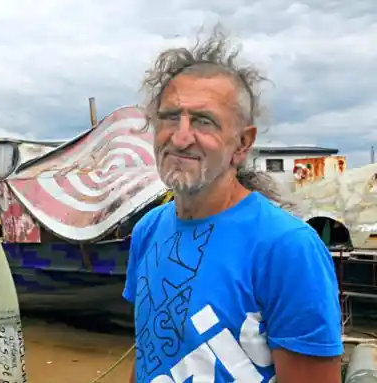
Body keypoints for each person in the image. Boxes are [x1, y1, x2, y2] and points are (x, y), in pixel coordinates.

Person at [124, 28, 343, 383]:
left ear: (242, 143)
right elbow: (149, 351)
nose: (179, 137)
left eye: (203, 121)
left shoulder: (287, 248)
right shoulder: (148, 231)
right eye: (168, 117)